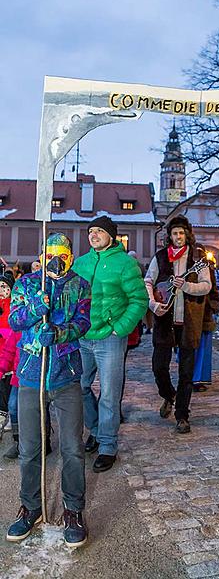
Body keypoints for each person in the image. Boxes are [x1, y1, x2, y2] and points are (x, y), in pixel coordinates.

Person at [6, 233, 91, 547]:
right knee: (29, 449)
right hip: (31, 374)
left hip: (66, 375)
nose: (56, 261)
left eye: (62, 255)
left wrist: (58, 332)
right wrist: (34, 309)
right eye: (50, 254)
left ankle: (73, 509)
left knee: (72, 448)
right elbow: (15, 321)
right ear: (43, 254)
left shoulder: (79, 285)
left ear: (69, 256)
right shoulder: (27, 284)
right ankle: (30, 506)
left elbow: (83, 323)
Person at [73, 215, 148, 473]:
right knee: (78, 387)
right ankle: (95, 429)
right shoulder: (80, 263)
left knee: (109, 393)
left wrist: (120, 329)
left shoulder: (126, 264)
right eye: (90, 231)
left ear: (111, 235)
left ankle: (107, 445)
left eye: (99, 231)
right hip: (81, 337)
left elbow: (139, 300)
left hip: (110, 339)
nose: (93, 235)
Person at [145, 214, 211, 434]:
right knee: (158, 367)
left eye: (182, 233)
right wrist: (153, 304)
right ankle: (169, 395)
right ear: (170, 236)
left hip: (189, 321)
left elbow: (206, 286)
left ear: (187, 235)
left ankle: (182, 415)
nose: (178, 237)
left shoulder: (198, 258)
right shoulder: (161, 256)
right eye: (174, 233)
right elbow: (148, 281)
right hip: (164, 320)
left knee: (186, 373)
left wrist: (187, 287)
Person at [192, 256, 219, 392]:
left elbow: (213, 291)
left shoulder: (208, 270)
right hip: (189, 314)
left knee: (203, 348)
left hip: (205, 314)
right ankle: (189, 376)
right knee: (189, 348)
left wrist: (213, 305)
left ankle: (199, 378)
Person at [0, 269, 15, 439]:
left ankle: (9, 415)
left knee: (8, 387)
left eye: (4, 287)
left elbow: (11, 330)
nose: (1, 291)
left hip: (8, 356)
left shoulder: (12, 305)